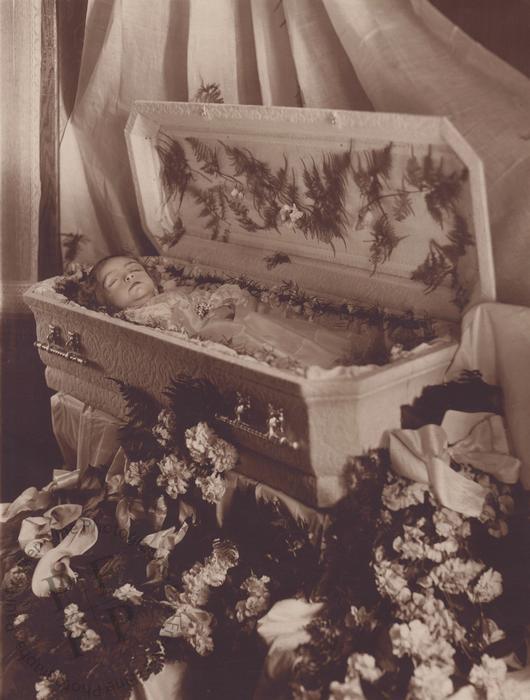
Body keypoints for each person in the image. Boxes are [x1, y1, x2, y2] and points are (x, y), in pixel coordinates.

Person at [91, 255, 359, 369]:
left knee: (267, 324)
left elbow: (200, 300)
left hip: (228, 321)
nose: (129, 278)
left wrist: (219, 303)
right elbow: (179, 331)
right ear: (108, 305)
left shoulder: (172, 293)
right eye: (114, 281)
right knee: (253, 336)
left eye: (134, 270)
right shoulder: (133, 317)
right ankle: (306, 369)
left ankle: (327, 362)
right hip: (212, 340)